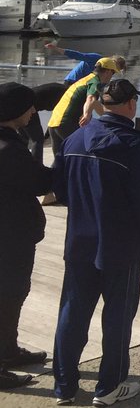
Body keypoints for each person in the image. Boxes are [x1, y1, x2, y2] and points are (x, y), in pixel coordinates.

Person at [52, 78, 140, 406]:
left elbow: (61, 189)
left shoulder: (73, 139)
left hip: (79, 240)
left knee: (72, 311)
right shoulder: (134, 144)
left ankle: (64, 387)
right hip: (121, 245)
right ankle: (109, 386)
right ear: (130, 105)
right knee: (118, 316)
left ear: (101, 103)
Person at [0, 83, 54, 391]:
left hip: (11, 231)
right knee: (7, 296)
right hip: (9, 235)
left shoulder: (9, 140)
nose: (33, 111)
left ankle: (8, 350)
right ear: (15, 111)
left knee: (13, 294)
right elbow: (39, 183)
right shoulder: (8, 149)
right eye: (29, 107)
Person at [44, 45, 126, 85]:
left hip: (83, 84)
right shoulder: (96, 58)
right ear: (112, 61)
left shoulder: (107, 72)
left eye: (114, 72)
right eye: (113, 68)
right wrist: (56, 48)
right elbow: (78, 55)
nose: (111, 72)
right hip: (72, 81)